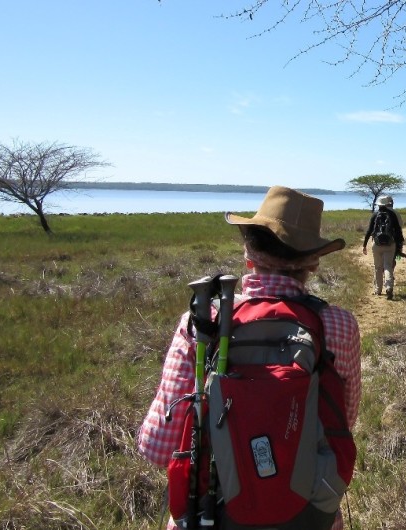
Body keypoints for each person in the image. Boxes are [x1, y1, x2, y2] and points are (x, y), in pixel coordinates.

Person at [137, 186, 362, 530]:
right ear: (313, 263)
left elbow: (157, 446)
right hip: (307, 514)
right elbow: (341, 422)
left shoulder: (202, 322)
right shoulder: (338, 325)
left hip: (209, 515)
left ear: (248, 255)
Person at [362, 195, 404, 299]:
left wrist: (364, 244)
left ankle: (378, 290)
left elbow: (369, 231)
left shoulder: (375, 215)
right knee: (388, 266)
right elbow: (398, 231)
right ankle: (389, 286)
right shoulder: (393, 214)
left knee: (378, 267)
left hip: (377, 244)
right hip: (390, 244)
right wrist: (399, 245)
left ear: (378, 205)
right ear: (387, 204)